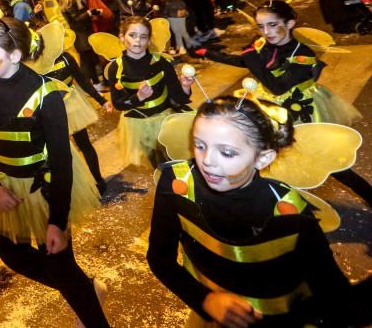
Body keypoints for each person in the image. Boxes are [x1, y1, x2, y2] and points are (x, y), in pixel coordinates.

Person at [147, 96, 358, 327]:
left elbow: (331, 290)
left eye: (227, 153)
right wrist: (204, 299)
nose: (207, 161)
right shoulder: (177, 183)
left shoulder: (290, 213)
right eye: (199, 145)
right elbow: (160, 258)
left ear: (263, 157)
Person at [0, 17, 108, 327]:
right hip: (5, 186)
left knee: (60, 265)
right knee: (13, 256)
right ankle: (85, 289)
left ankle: (91, 311)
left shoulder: (47, 95)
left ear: (14, 55)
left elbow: (62, 160)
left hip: (46, 187)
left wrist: (57, 220)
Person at [197, 0, 371, 206]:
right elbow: (242, 60)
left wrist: (252, 58)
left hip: (299, 110)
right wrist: (207, 53)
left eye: (272, 25)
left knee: (326, 159)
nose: (266, 32)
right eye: (261, 26)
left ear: (290, 24)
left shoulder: (303, 54)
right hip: (268, 108)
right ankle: (275, 203)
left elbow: (277, 86)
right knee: (264, 157)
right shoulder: (263, 45)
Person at [28, 22, 109, 195]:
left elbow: (83, 81)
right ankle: (73, 186)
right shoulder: (36, 64)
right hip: (51, 112)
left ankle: (98, 179)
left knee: (83, 145)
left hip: (71, 106)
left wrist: (101, 100)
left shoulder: (65, 58)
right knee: (63, 151)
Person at [107, 17, 194, 168]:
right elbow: (118, 104)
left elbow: (179, 98)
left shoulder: (161, 63)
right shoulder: (116, 68)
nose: (138, 41)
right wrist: (138, 97)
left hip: (165, 121)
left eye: (143, 37)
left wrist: (185, 86)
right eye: (132, 35)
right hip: (138, 125)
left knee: (178, 162)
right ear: (122, 37)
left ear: (148, 40)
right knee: (158, 165)